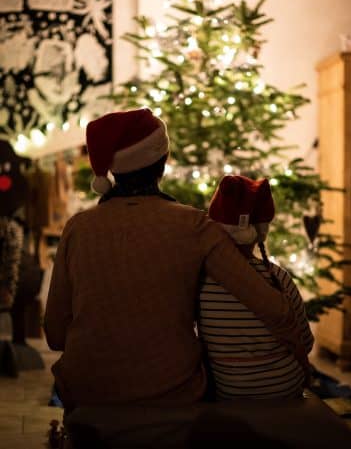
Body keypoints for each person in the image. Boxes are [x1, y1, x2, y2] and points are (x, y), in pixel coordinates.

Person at [44, 108, 309, 411]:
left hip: (87, 395)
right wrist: (300, 357)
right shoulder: (194, 225)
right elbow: (271, 306)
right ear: (163, 161)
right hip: (172, 395)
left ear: (114, 171)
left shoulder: (78, 228)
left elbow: (54, 334)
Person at [198, 175, 314, 400]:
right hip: (284, 385)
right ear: (260, 233)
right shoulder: (279, 277)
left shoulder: (201, 281)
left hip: (229, 389)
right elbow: (306, 342)